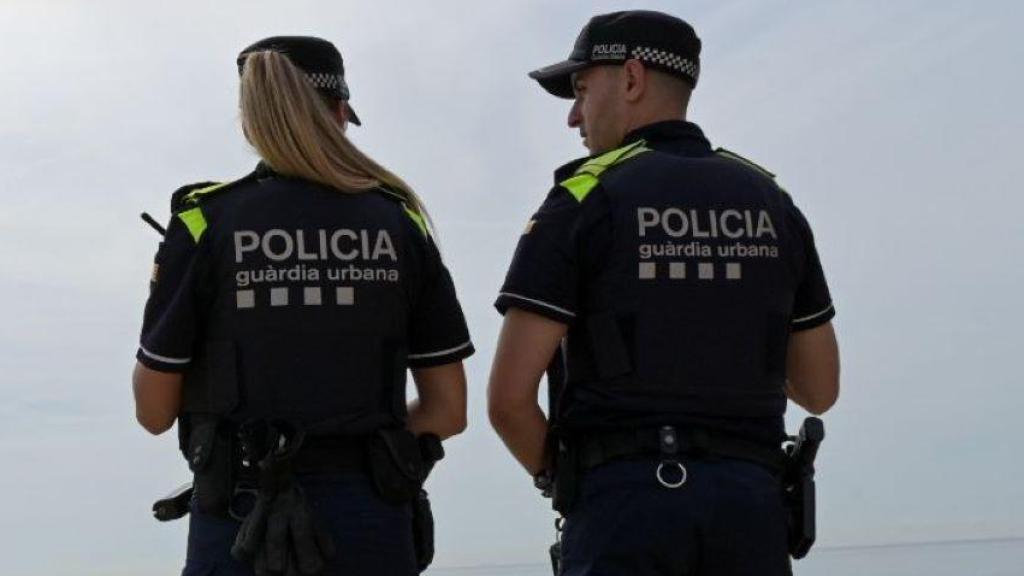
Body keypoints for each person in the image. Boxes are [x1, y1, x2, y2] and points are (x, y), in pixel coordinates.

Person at [488, 10, 839, 576]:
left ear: (631, 79)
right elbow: (820, 389)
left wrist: (569, 480)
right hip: (750, 511)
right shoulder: (772, 201)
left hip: (623, 511)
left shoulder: (583, 198)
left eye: (581, 90)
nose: (574, 116)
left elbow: (507, 401)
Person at [132, 36, 473, 576]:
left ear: (250, 120)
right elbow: (448, 411)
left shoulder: (203, 222)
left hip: (240, 521)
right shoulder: (400, 222)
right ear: (340, 113)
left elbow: (153, 412)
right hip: (371, 522)